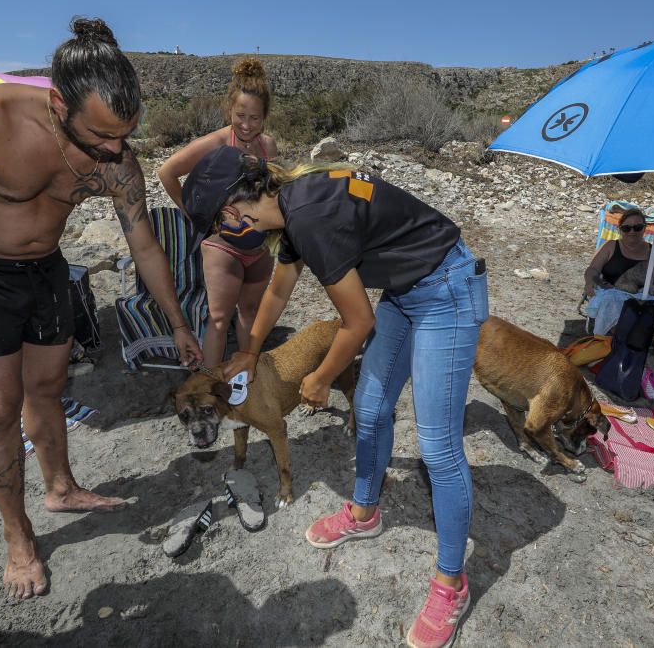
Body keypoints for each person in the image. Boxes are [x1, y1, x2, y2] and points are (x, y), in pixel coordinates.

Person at [0, 18, 202, 600]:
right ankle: (19, 535)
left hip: (46, 270)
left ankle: (60, 488)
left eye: (124, 137)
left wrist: (179, 324)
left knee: (48, 388)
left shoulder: (117, 159)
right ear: (58, 102)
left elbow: (145, 246)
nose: (113, 152)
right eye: (99, 137)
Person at [183, 145, 488, 648]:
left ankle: (451, 583)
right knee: (369, 408)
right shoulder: (292, 207)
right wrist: (250, 352)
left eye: (220, 226)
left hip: (446, 291)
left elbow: (358, 322)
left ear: (233, 212)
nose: (227, 234)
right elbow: (279, 290)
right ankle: (366, 514)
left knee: (438, 446)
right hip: (406, 291)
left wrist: (322, 377)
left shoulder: (310, 215)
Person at [158, 58, 277, 367]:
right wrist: (195, 215)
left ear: (265, 117)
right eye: (240, 116)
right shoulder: (216, 142)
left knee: (250, 313)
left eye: (255, 117)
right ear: (229, 111)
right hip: (222, 247)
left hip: (259, 247)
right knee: (220, 319)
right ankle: (210, 385)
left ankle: (244, 380)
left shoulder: (268, 146)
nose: (247, 125)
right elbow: (167, 172)